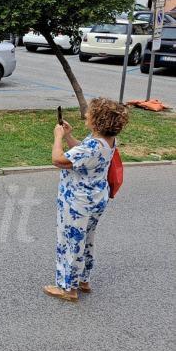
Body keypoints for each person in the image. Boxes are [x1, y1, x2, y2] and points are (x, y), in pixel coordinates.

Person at [45, 97, 129, 302]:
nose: (86, 115)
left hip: (77, 202)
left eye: (90, 113)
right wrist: (69, 135)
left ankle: (68, 288)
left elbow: (59, 159)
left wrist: (58, 137)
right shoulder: (105, 141)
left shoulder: (92, 147)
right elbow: (81, 153)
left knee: (70, 241)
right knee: (86, 239)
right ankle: (83, 279)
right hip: (96, 198)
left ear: (98, 120)